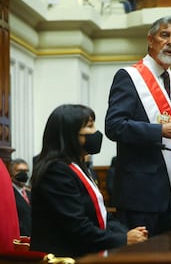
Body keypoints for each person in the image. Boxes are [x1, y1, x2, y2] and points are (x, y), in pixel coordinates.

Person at [105, 16, 171, 238]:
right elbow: (114, 126)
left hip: (169, 193)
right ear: (150, 40)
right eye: (164, 35)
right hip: (138, 195)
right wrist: (160, 131)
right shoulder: (129, 77)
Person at [30, 104, 148, 257]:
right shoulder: (55, 171)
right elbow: (77, 227)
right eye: (89, 126)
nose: (95, 132)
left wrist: (129, 234)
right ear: (70, 134)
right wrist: (123, 239)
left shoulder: (78, 167)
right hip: (64, 257)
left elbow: (101, 215)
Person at [9, 158, 32, 236]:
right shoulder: (9, 194)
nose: (24, 174)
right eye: (20, 171)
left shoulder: (30, 193)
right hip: (19, 238)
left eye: (26, 171)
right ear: (11, 173)